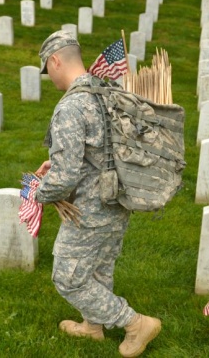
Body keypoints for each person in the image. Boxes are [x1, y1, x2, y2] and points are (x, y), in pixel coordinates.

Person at [33, 30, 161, 357]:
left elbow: (63, 180)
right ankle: (92, 327)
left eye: (48, 71)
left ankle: (134, 323)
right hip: (120, 199)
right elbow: (103, 148)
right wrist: (59, 162)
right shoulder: (110, 90)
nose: (51, 79)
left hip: (88, 209)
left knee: (69, 278)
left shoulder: (72, 106)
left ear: (55, 60)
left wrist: (39, 191)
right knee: (100, 268)